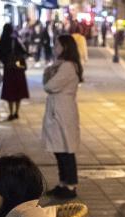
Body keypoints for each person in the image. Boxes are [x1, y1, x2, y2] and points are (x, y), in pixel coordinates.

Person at [42, 34, 82, 201]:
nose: (55, 47)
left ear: (65, 47)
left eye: (57, 45)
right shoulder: (63, 65)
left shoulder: (66, 67)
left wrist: (50, 72)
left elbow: (50, 85)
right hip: (59, 109)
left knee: (66, 150)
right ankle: (63, 183)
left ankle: (70, 185)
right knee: (60, 149)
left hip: (62, 111)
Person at [0, 24, 29, 121]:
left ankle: (11, 112)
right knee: (18, 90)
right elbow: (24, 51)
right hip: (18, 68)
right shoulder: (15, 40)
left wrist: (5, 60)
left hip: (8, 68)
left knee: (10, 91)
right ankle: (16, 112)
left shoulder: (2, 41)